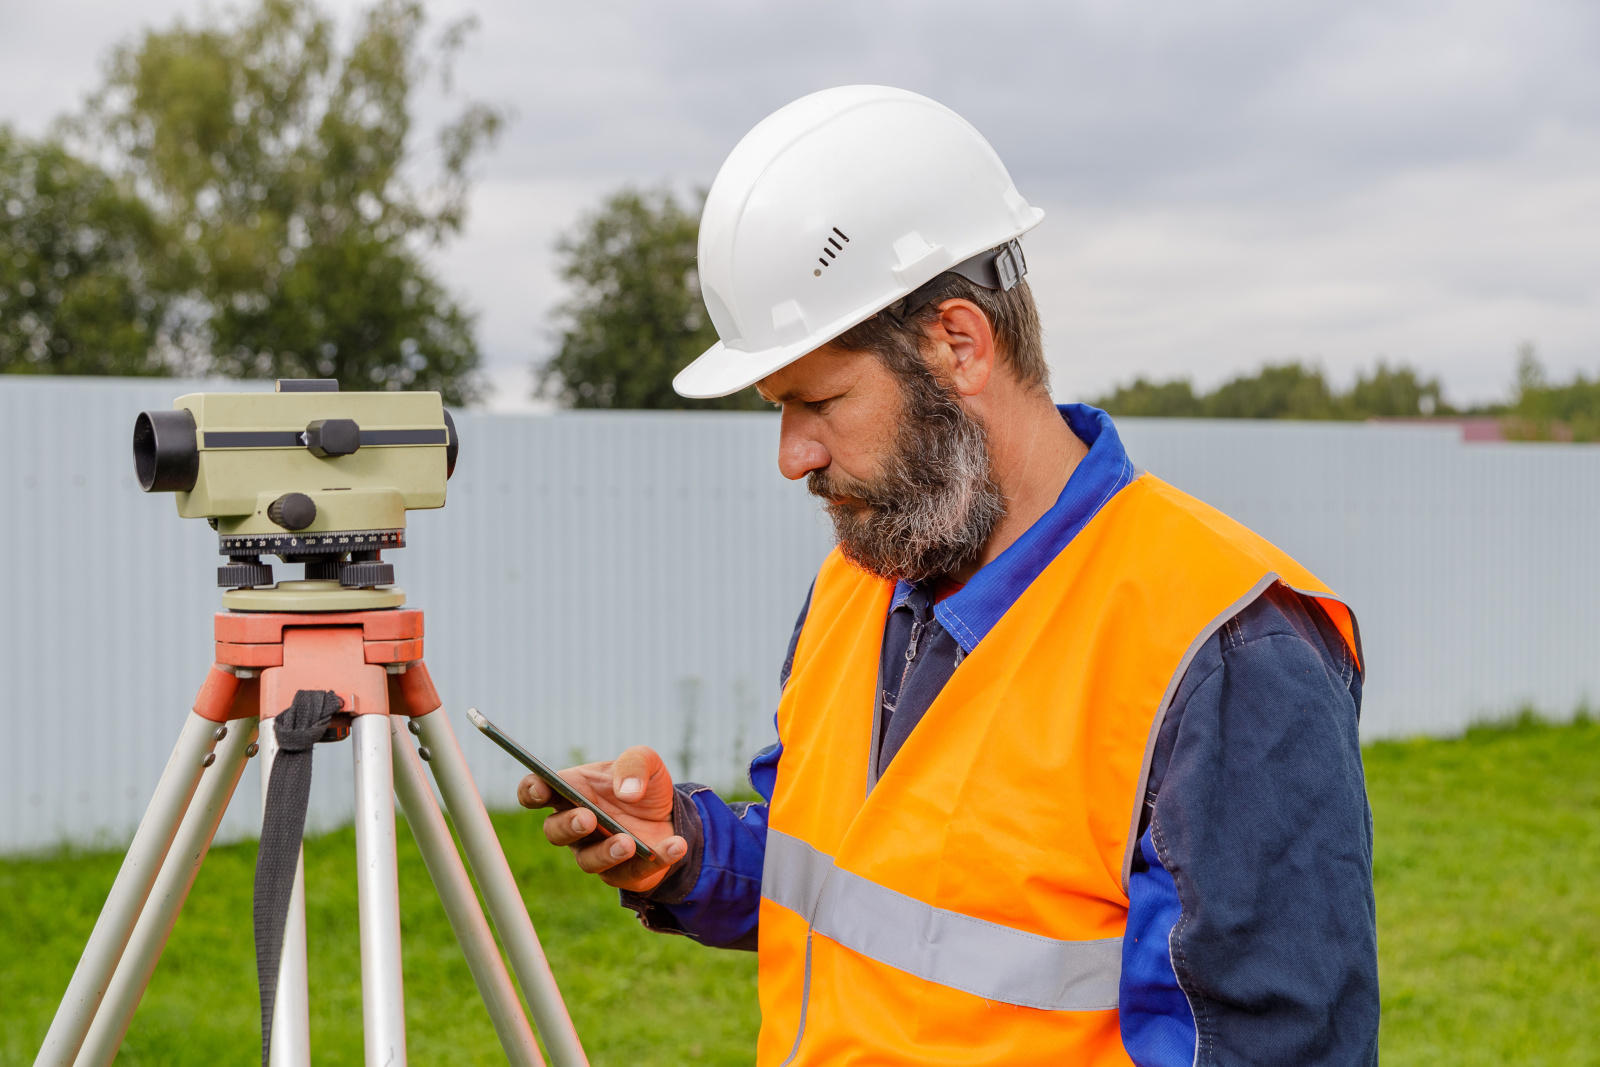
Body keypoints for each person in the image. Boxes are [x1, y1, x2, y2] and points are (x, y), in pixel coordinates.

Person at [519, 86, 1378, 1066]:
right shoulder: (861, 578)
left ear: (958, 344)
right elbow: (841, 881)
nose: (792, 455)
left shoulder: (1223, 647)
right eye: (777, 408)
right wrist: (684, 847)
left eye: (821, 400)